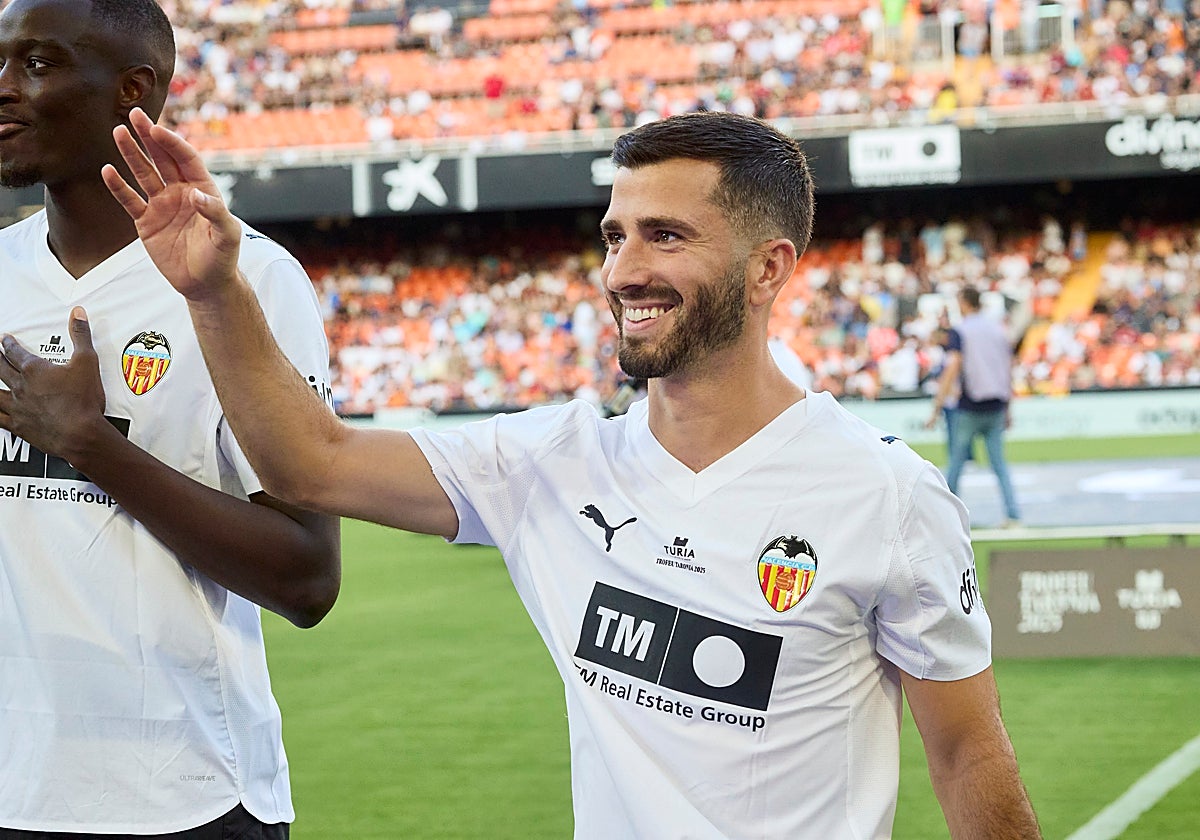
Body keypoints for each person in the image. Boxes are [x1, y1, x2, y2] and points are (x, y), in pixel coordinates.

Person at [103, 109, 1041, 838]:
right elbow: (312, 463)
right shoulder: (549, 462)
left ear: (769, 270)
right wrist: (215, 290)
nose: (622, 270)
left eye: (666, 236)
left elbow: (966, 755)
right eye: (613, 236)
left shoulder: (885, 497)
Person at [0, 0, 340, 836]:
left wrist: (91, 446)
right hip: (13, 785)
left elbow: (306, 578)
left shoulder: (243, 280)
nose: (2, 86)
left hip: (181, 795)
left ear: (133, 91)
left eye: (36, 65)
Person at [927, 287, 1021, 527]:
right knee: (999, 465)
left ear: (965, 303)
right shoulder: (997, 330)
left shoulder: (962, 331)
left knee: (956, 463)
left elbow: (953, 367)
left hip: (970, 405)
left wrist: (937, 405)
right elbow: (1007, 368)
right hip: (996, 403)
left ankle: (945, 519)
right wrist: (1008, 405)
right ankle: (1013, 515)